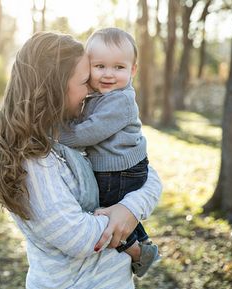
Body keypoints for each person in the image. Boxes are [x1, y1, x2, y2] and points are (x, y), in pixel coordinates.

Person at [0, 31, 162, 288]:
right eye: (85, 81)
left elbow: (148, 176)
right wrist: (125, 214)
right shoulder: (34, 157)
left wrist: (129, 208)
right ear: (56, 87)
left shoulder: (71, 127)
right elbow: (80, 239)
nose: (93, 86)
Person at [59, 27, 159, 277]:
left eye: (118, 68)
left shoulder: (120, 101)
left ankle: (137, 251)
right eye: (100, 66)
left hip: (120, 171)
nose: (108, 75)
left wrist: (58, 134)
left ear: (133, 70)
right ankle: (144, 244)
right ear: (87, 67)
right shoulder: (101, 95)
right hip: (118, 168)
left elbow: (88, 133)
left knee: (103, 212)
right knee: (115, 208)